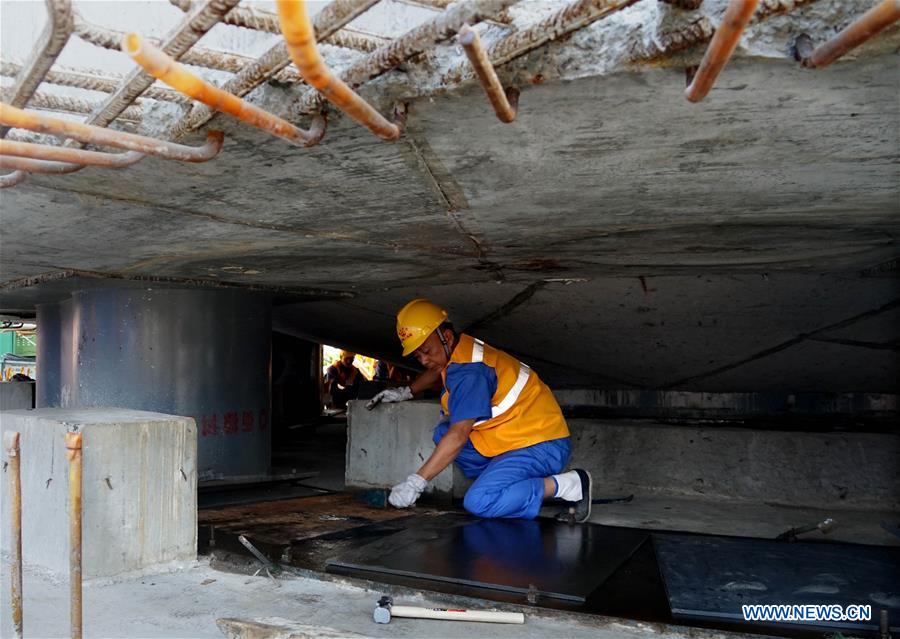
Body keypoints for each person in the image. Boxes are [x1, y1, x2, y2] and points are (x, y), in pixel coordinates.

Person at [366, 299, 592, 521]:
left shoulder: (471, 372)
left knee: (479, 502)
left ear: (446, 337)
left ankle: (570, 485)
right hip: (513, 435)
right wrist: (406, 391)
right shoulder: (458, 350)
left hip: (541, 444)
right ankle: (502, 481)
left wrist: (416, 482)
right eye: (418, 356)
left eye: (426, 351)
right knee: (442, 433)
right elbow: (436, 370)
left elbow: (459, 434)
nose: (424, 360)